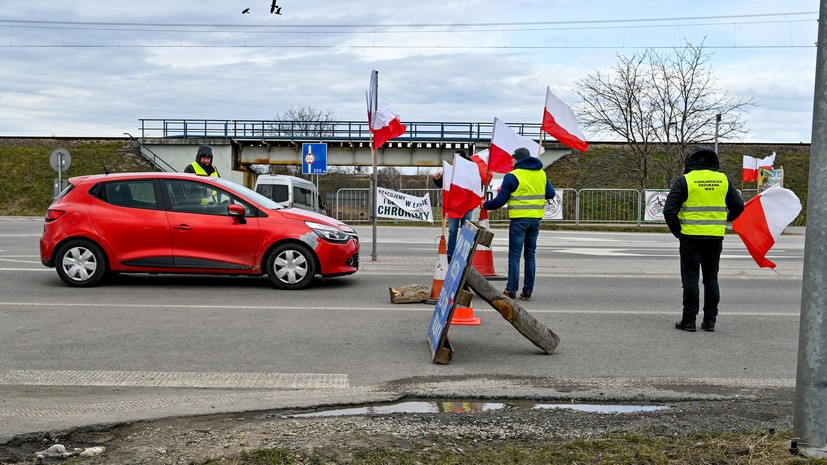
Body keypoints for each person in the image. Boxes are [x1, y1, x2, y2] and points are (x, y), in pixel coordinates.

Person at [663, 146, 744, 332]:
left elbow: (669, 211)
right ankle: (710, 321)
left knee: (690, 280)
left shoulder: (685, 180)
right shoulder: (723, 180)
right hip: (715, 237)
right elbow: (738, 206)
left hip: (690, 237)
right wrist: (727, 219)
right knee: (711, 279)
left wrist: (679, 232)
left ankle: (689, 321)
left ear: (691, 162)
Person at [483, 147, 555, 301]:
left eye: (513, 158)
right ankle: (527, 291)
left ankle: (511, 290)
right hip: (535, 220)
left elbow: (500, 201)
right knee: (530, 255)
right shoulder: (541, 173)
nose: (511, 160)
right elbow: (551, 193)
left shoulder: (512, 176)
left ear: (519, 159)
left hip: (518, 221)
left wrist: (485, 205)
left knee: (514, 256)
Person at [432, 149, 477, 262]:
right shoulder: (451, 171)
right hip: (454, 207)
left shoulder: (470, 170)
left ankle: (463, 253)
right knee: (453, 231)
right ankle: (451, 254)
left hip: (466, 207)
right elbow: (443, 183)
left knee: (465, 231)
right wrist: (436, 179)